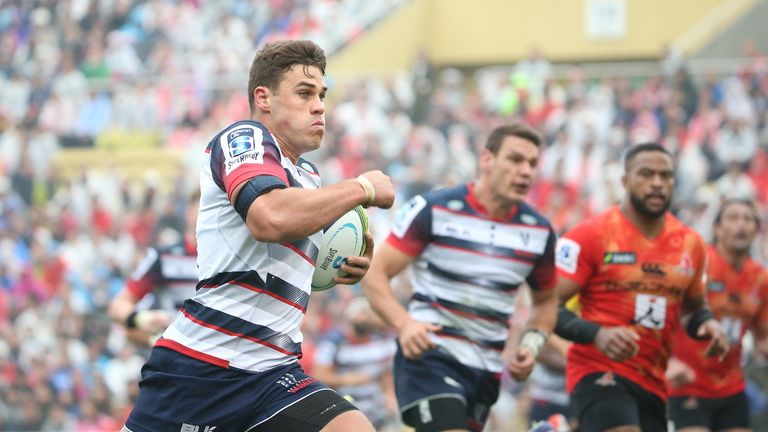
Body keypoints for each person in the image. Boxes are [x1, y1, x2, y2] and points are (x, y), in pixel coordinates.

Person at [122, 40, 395, 432]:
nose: (319, 105)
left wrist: (338, 265)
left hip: (272, 372)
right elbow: (267, 219)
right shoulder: (243, 138)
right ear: (263, 98)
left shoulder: (309, 177)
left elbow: (273, 261)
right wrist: (362, 188)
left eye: (321, 94)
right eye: (304, 93)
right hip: (201, 370)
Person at [362, 124, 559, 432]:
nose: (525, 171)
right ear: (487, 159)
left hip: (486, 372)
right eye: (515, 159)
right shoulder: (434, 208)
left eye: (532, 164)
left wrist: (531, 346)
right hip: (429, 358)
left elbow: (546, 303)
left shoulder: (538, 232)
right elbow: (375, 272)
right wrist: (405, 324)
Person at [553, 142, 729, 432]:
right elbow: (548, 306)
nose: (657, 183)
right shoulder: (591, 234)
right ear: (625, 181)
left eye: (665, 175)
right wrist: (597, 334)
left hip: (653, 381)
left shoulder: (691, 244)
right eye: (646, 174)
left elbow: (693, 308)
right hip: (597, 371)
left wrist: (708, 323)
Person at [667, 199, 768, 432]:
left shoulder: (760, 278)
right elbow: (662, 315)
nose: (741, 225)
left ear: (756, 228)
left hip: (731, 387)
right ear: (717, 228)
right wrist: (668, 362)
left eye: (748, 219)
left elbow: (762, 336)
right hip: (687, 385)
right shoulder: (697, 265)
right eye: (733, 218)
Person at [108, 190, 200, 347]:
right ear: (188, 213)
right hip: (175, 362)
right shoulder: (162, 257)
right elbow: (118, 306)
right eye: (204, 207)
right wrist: (143, 321)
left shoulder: (233, 260)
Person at [312, 297, 399, 431]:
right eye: (360, 313)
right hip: (346, 405)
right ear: (349, 317)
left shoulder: (380, 340)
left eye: (367, 313)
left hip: (377, 409)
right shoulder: (332, 342)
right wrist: (349, 379)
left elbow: (385, 373)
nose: (364, 318)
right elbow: (319, 375)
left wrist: (390, 395)